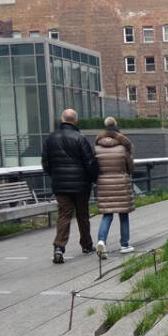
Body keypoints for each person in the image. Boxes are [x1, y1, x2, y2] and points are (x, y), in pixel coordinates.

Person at [42, 109, 99, 264]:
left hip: (60, 185)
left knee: (64, 215)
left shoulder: (50, 139)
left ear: (62, 119)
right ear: (76, 121)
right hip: (81, 184)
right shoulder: (80, 138)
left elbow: (45, 163)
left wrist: (55, 176)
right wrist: (94, 178)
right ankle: (87, 244)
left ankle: (59, 247)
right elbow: (90, 162)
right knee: (83, 215)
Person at [94, 117, 135, 260]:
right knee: (123, 215)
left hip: (104, 183)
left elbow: (94, 167)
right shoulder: (123, 147)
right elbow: (130, 167)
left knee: (107, 215)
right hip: (121, 183)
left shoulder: (97, 147)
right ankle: (124, 244)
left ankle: (101, 241)